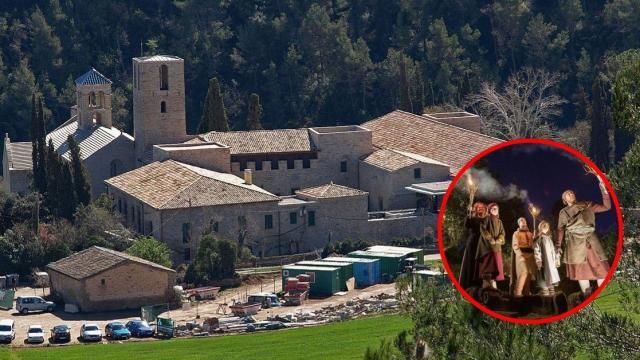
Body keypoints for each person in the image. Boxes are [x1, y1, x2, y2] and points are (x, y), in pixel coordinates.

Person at [556, 178, 611, 295]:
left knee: (601, 269)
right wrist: (558, 246)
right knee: (582, 272)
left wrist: (604, 189)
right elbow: (560, 229)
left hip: (591, 239)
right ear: (564, 199)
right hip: (575, 244)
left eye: (572, 192)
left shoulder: (587, 204)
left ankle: (602, 295)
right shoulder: (563, 212)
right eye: (568, 194)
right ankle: (587, 297)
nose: (571, 194)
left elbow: (607, 207)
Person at [475, 203, 505, 289]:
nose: (494, 210)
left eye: (496, 209)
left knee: (496, 266)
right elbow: (483, 229)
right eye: (493, 209)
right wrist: (490, 238)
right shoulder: (487, 219)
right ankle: (486, 284)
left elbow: (502, 233)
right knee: (488, 266)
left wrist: (500, 239)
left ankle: (493, 284)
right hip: (487, 247)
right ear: (489, 210)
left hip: (497, 247)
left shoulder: (500, 222)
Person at [458, 202, 487, 289]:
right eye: (479, 207)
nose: (480, 209)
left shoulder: (486, 219)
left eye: (482, 207)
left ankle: (479, 283)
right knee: (471, 262)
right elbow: (467, 225)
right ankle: (468, 284)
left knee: (480, 264)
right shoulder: (472, 217)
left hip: (483, 243)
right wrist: (468, 214)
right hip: (473, 242)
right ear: (476, 209)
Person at [510, 217, 537, 297]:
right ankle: (517, 293)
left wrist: (536, 236)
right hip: (521, 256)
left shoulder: (530, 233)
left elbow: (532, 244)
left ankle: (526, 294)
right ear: (519, 223)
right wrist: (520, 255)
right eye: (521, 220)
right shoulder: (516, 233)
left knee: (528, 274)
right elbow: (515, 245)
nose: (523, 221)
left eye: (524, 220)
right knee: (523, 272)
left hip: (530, 256)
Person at [534, 220, 561, 296]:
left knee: (551, 283)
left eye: (547, 226)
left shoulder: (549, 238)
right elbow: (537, 250)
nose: (546, 227)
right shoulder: (539, 239)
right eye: (544, 225)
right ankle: (546, 301)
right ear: (540, 228)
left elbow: (554, 250)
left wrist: (556, 258)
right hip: (544, 264)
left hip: (551, 265)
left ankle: (553, 301)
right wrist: (539, 261)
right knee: (544, 282)